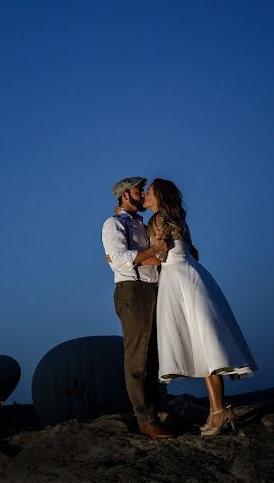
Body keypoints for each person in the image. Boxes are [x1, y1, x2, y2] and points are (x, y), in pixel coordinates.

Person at [143, 179, 257, 436]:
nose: (146, 196)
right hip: (193, 277)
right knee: (206, 344)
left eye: (149, 192)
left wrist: (126, 259)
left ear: (159, 196)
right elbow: (188, 250)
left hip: (177, 280)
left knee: (202, 344)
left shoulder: (158, 220)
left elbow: (159, 255)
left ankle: (218, 411)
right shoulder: (177, 219)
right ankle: (218, 410)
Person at [102, 177, 173, 440]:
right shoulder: (113, 224)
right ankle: (145, 420)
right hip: (133, 291)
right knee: (138, 359)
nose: (142, 193)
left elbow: (155, 257)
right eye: (137, 190)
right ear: (124, 195)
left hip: (154, 289)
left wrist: (157, 254)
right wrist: (153, 252)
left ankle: (155, 414)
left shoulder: (141, 223)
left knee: (153, 357)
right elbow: (119, 261)